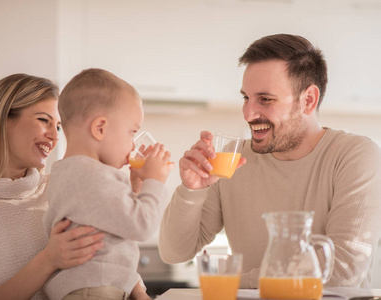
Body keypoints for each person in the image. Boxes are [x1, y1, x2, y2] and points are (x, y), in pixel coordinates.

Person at [159, 34, 381, 288]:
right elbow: (174, 253)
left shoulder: (355, 156)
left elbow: (343, 271)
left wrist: (234, 283)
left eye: (265, 99)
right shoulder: (232, 159)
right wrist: (191, 190)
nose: (248, 113)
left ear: (308, 100)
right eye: (246, 97)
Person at [0, 74, 145, 299]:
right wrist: (49, 260)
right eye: (44, 120)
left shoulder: (67, 186)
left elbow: (107, 255)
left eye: (59, 127)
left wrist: (140, 293)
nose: (54, 136)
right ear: (3, 119)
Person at [42, 68, 174, 300]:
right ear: (100, 128)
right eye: (132, 132)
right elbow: (140, 225)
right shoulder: (93, 175)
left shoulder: (70, 174)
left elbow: (112, 224)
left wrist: (135, 190)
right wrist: (156, 180)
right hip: (94, 292)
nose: (133, 146)